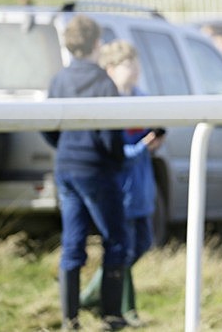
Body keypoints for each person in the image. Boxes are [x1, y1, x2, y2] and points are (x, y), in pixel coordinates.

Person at [43, 15, 128, 331]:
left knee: (72, 242)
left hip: (66, 167)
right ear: (96, 43)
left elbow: (47, 126)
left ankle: (70, 319)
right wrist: (118, 160)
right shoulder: (103, 83)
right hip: (97, 170)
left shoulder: (58, 80)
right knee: (116, 239)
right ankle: (111, 315)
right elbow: (111, 136)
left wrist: (65, 146)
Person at [79, 40, 164, 326]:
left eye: (136, 63)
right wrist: (142, 147)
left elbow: (151, 134)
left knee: (142, 244)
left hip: (142, 186)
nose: (135, 69)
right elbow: (113, 150)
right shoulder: (108, 101)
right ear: (111, 68)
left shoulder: (142, 97)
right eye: (129, 64)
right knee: (123, 248)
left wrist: (155, 141)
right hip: (118, 186)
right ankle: (127, 310)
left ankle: (91, 295)